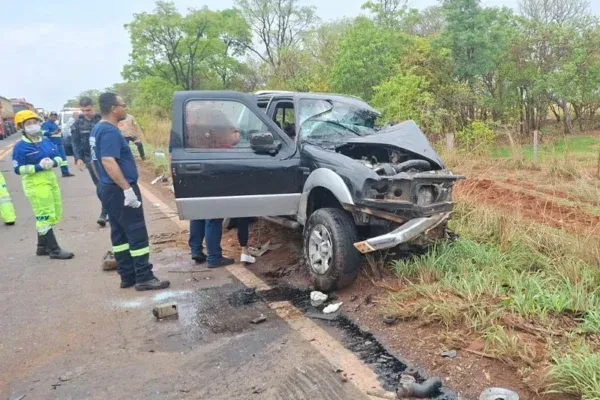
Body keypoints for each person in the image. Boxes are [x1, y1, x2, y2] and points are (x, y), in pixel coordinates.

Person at [91, 92, 169, 291]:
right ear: (113, 109)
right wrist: (126, 189)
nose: (125, 108)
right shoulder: (109, 131)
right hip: (119, 189)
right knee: (136, 232)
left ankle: (127, 275)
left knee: (119, 233)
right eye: (123, 105)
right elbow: (108, 161)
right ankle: (144, 276)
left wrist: (104, 184)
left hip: (108, 188)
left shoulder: (97, 129)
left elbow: (95, 161)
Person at [186, 105, 254, 266]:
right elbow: (233, 140)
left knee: (198, 212)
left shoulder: (188, 122)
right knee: (213, 215)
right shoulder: (217, 117)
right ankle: (214, 257)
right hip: (213, 170)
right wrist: (237, 132)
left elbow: (172, 152)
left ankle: (196, 250)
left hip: (192, 170)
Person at [12, 110, 73, 259]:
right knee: (44, 215)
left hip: (49, 179)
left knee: (54, 211)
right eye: (28, 124)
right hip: (35, 182)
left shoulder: (45, 140)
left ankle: (41, 247)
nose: (33, 126)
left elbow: (59, 157)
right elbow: (18, 169)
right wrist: (38, 167)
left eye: (35, 122)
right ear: (21, 127)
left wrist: (53, 162)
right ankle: (54, 249)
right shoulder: (20, 147)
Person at [71, 97, 108, 227]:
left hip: (106, 156)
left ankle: (109, 209)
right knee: (100, 185)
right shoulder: (77, 123)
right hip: (90, 158)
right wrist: (78, 158)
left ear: (93, 107)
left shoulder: (102, 119)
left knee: (111, 183)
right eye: (83, 110)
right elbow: (75, 142)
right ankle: (105, 212)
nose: (86, 113)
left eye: (88, 110)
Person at [41, 111, 74, 177]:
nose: (54, 118)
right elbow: (44, 133)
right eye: (53, 117)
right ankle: (46, 173)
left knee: (63, 159)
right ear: (49, 116)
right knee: (50, 159)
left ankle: (65, 172)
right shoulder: (46, 124)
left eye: (55, 117)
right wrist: (53, 133)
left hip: (59, 143)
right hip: (52, 144)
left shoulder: (55, 124)